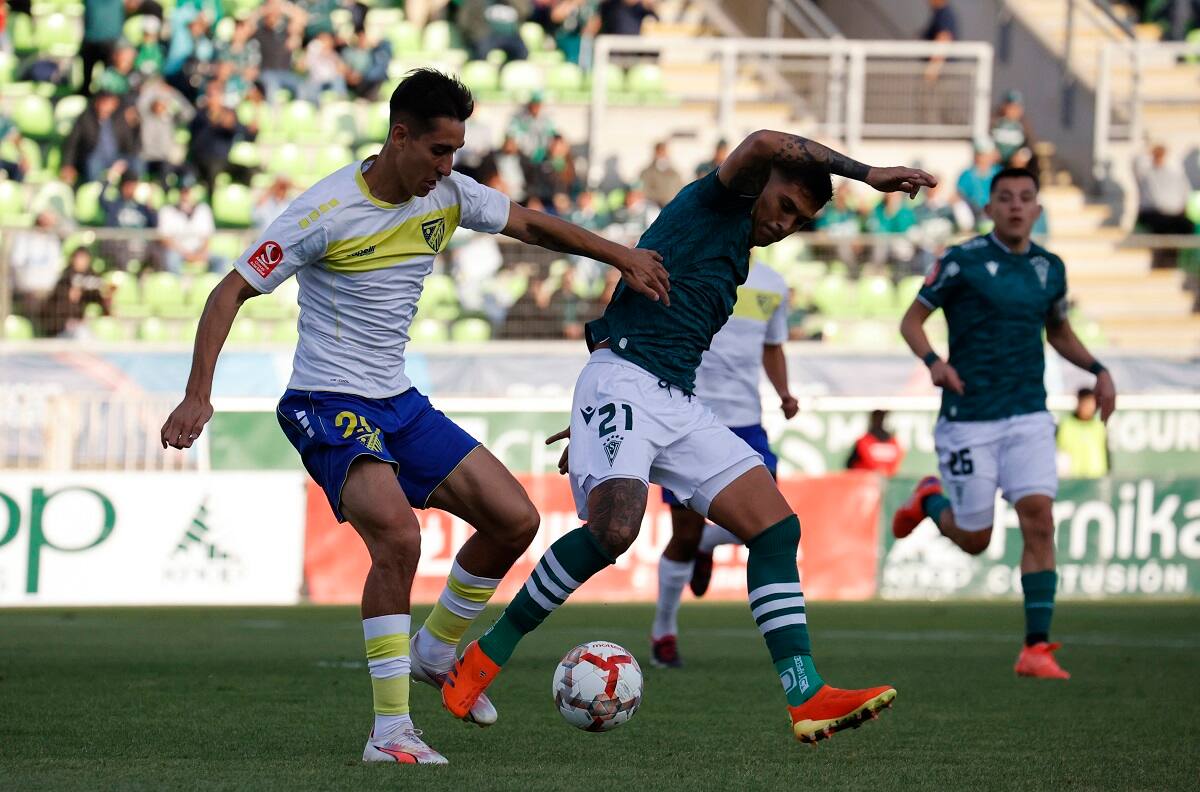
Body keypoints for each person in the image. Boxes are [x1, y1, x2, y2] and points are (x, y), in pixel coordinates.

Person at [159, 69, 668, 766]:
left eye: (455, 151)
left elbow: (528, 223)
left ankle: (435, 649)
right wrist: (198, 394)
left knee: (514, 519)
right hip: (325, 402)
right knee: (399, 538)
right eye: (438, 150)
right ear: (399, 137)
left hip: (398, 401)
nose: (448, 166)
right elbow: (229, 292)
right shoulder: (324, 212)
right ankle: (389, 731)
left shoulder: (447, 195)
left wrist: (620, 256)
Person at [442, 129, 935, 744]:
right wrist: (868, 174)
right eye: (785, 205)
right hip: (623, 380)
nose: (785, 225)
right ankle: (482, 660)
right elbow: (764, 141)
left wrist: (592, 422)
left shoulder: (738, 256)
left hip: (673, 397)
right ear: (762, 185)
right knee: (615, 530)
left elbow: (663, 330)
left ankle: (805, 693)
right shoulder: (718, 200)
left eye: (799, 222)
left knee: (777, 528)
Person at [892, 167, 1117, 681]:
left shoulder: (1049, 268)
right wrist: (934, 363)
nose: (1016, 206)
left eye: (1025, 198)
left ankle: (1036, 648)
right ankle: (929, 498)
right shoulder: (961, 260)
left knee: (1040, 518)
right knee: (975, 539)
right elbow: (911, 321)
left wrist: (1099, 370)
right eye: (1006, 198)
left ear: (1038, 209)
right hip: (969, 418)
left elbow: (1058, 331)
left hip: (1029, 415)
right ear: (990, 208)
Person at [648, 258, 796, 669]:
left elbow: (772, 346)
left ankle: (706, 545)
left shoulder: (773, 283)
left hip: (746, 420)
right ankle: (663, 631)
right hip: (687, 417)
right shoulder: (689, 268)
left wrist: (784, 392)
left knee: (770, 523)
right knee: (683, 534)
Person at [60, 90, 141, 185]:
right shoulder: (85, 119)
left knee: (136, 162)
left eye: (112, 104)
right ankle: (97, 189)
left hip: (116, 156)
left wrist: (122, 162)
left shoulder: (119, 119)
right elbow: (72, 143)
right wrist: (68, 165)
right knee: (93, 165)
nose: (109, 107)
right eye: (106, 103)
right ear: (98, 102)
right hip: (95, 157)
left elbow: (130, 142)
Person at [157, 180, 216, 273]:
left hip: (198, 250)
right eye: (183, 191)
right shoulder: (167, 210)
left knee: (222, 260)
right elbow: (165, 239)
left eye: (188, 191)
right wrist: (187, 254)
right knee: (171, 259)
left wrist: (201, 253)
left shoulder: (204, 209)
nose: (186, 194)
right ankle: (177, 282)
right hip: (178, 252)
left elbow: (207, 237)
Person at [1134, 144, 1193, 235]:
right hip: (1153, 214)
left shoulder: (1175, 174)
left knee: (1187, 226)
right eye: (1156, 155)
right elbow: (1137, 162)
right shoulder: (1145, 174)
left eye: (1160, 155)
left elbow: (1185, 194)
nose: (1159, 158)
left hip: (1174, 215)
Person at [1056, 387, 1109, 478]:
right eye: (1085, 403)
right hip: (1073, 480)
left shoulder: (1099, 426)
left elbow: (1107, 454)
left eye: (1091, 403)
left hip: (1096, 479)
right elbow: (1060, 453)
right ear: (1079, 403)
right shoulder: (1065, 425)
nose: (1089, 407)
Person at [846, 410, 905, 475]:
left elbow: (850, 464)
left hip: (867, 478)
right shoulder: (894, 443)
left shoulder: (864, 441)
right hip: (870, 478)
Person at [956, 142, 1000, 226]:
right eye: (981, 155)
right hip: (974, 212)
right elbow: (959, 194)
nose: (983, 158)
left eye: (986, 155)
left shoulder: (999, 172)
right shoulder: (966, 174)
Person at [991, 90, 1037, 169]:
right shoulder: (994, 121)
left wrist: (1022, 154)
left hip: (1014, 162)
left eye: (1016, 108)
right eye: (1010, 107)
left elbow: (1031, 144)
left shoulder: (1024, 124)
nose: (1012, 111)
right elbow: (985, 137)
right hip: (996, 161)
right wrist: (991, 149)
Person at [506, 92, 556, 164]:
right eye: (534, 104)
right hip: (523, 155)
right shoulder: (519, 118)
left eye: (538, 104)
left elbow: (552, 134)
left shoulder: (547, 119)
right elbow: (511, 133)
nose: (535, 107)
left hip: (543, 155)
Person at [638, 140, 684, 209]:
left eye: (664, 151)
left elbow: (681, 189)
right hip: (654, 208)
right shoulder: (647, 172)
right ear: (655, 153)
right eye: (660, 151)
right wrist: (660, 199)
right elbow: (643, 191)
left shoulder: (675, 173)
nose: (663, 154)